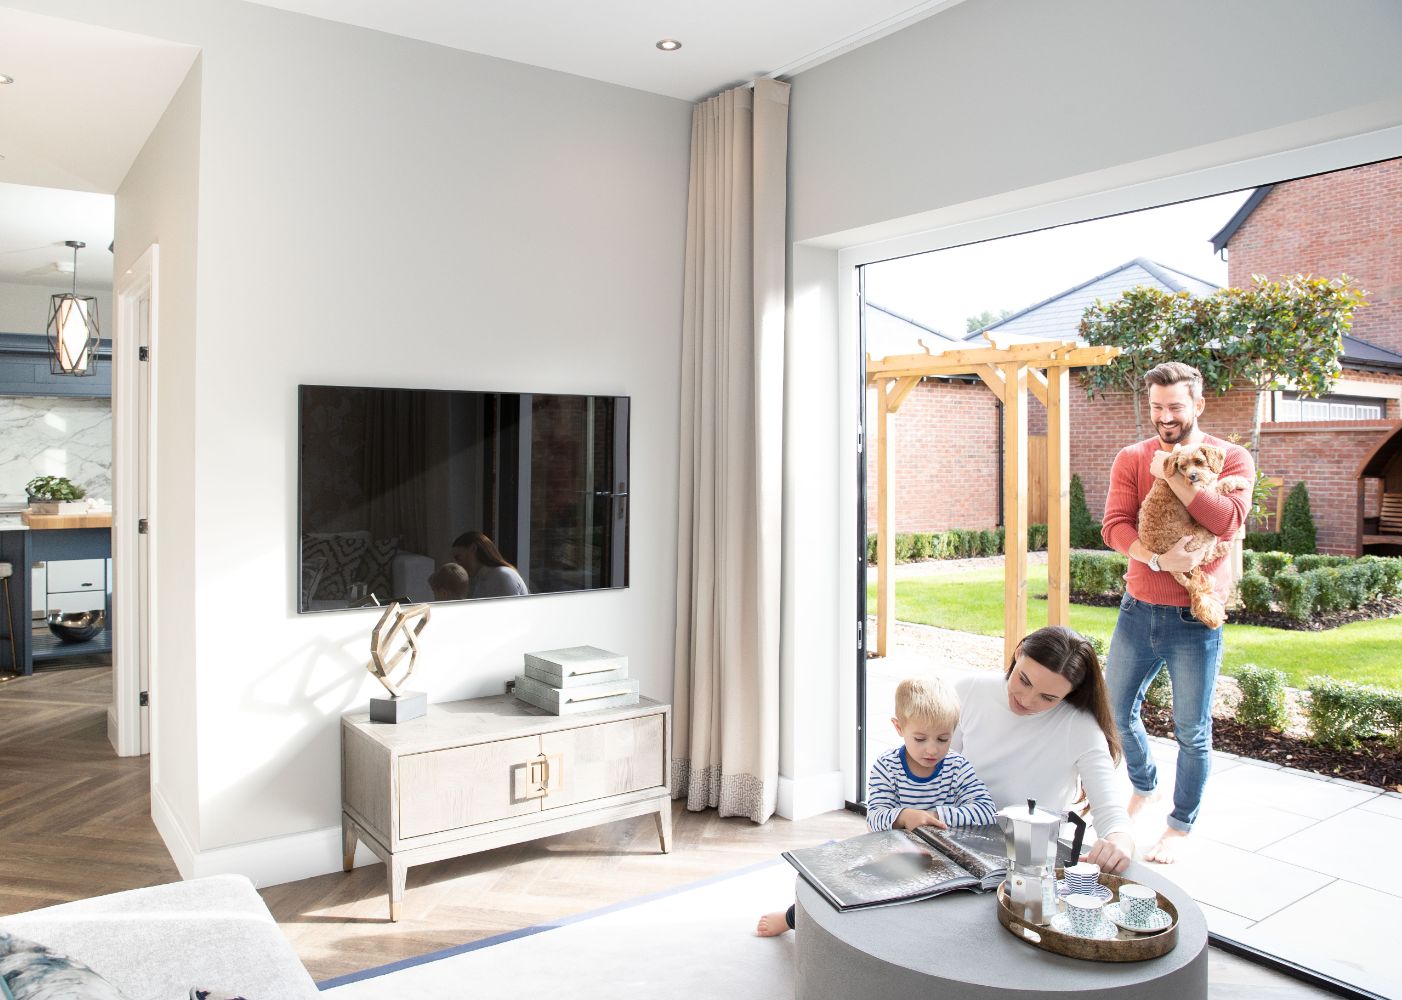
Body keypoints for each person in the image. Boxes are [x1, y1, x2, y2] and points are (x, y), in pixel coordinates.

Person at [1101, 361, 1253, 864]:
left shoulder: (1231, 458)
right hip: (1137, 609)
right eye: (1156, 407)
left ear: (1198, 405)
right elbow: (1115, 526)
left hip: (1194, 620)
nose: (1165, 417)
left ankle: (1179, 825)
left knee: (1191, 730)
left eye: (1175, 407)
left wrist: (1174, 473)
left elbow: (1226, 521)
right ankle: (1144, 785)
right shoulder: (1131, 457)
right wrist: (1157, 559)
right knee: (1115, 712)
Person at [756, 675, 996, 936]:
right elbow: (875, 818)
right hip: (893, 854)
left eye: (942, 739)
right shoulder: (887, 766)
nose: (932, 750)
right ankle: (791, 917)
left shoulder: (957, 766)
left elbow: (986, 811)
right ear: (899, 727)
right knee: (843, 881)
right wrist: (904, 817)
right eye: (920, 739)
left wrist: (935, 814)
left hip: (945, 860)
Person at [951, 625, 1135, 876]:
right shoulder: (970, 690)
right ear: (1018, 652)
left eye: (1048, 698)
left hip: (1029, 862)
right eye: (1024, 680)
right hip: (955, 841)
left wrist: (1119, 842)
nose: (1027, 700)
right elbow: (935, 768)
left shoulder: (1080, 727)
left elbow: (1111, 813)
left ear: (1070, 693)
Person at [451, 531, 528, 598]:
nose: (458, 565)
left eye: (459, 558)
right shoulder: (482, 580)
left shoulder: (502, 576)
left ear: (473, 548)